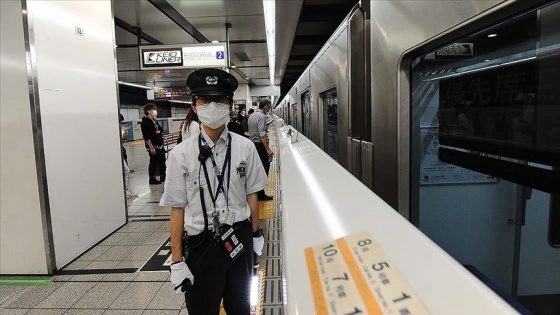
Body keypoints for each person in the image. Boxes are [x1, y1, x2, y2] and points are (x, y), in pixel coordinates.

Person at [160, 68, 268, 315]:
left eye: (219, 99)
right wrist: (177, 261)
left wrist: (256, 233)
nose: (212, 106)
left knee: (242, 308)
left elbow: (252, 194)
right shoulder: (181, 155)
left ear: (229, 105)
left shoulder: (246, 148)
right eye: (204, 100)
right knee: (202, 310)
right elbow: (177, 209)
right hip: (201, 245)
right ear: (195, 106)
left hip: (239, 239)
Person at [247, 100, 274, 201]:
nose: (269, 109)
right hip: (260, 146)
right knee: (264, 168)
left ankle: (257, 192)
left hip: (253, 144)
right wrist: (267, 149)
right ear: (266, 107)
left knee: (256, 169)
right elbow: (262, 134)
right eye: (269, 107)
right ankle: (261, 194)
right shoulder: (262, 116)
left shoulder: (252, 115)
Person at [140, 103, 166, 185]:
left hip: (160, 144)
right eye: (153, 109)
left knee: (162, 161)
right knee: (153, 162)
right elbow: (146, 137)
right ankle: (152, 178)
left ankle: (163, 175)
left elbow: (161, 129)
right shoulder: (145, 122)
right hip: (153, 145)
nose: (155, 111)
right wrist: (151, 147)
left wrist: (159, 131)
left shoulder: (154, 120)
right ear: (148, 111)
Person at [120, 114, 137, 197]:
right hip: (118, 153)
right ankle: (125, 191)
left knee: (125, 171)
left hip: (121, 152)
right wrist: (123, 131)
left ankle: (125, 189)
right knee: (126, 171)